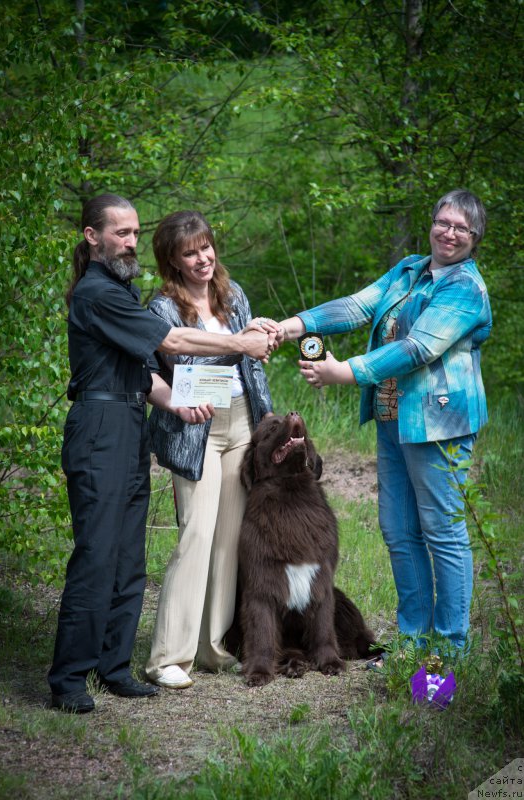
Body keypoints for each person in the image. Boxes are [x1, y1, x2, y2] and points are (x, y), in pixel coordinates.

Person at [49, 194, 274, 713]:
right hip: (98, 426)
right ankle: (68, 679)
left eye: (133, 233)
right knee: (97, 555)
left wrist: (175, 399)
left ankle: (113, 666)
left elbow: (143, 372)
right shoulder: (97, 293)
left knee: (129, 556)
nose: (130, 241)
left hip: (129, 421)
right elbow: (170, 342)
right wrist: (240, 345)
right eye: (120, 233)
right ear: (92, 237)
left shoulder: (120, 289)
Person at [270, 189, 492, 654]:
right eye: (444, 222)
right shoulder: (410, 269)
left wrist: (343, 372)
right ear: (432, 223)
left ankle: (451, 650)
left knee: (443, 532)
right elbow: (357, 305)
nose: (450, 233)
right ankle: (412, 643)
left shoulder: (466, 289)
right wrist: (291, 326)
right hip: (394, 420)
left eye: (462, 228)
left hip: (440, 426)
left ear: (474, 238)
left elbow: (418, 348)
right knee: (398, 530)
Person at [145, 210, 274, 690]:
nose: (202, 259)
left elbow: (250, 357)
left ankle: (212, 646)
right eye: (189, 253)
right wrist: (242, 344)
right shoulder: (161, 309)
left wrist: (262, 337)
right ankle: (166, 656)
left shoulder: (232, 293)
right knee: (195, 535)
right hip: (195, 429)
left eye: (206, 248)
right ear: (172, 261)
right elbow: (175, 355)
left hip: (243, 421)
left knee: (230, 537)